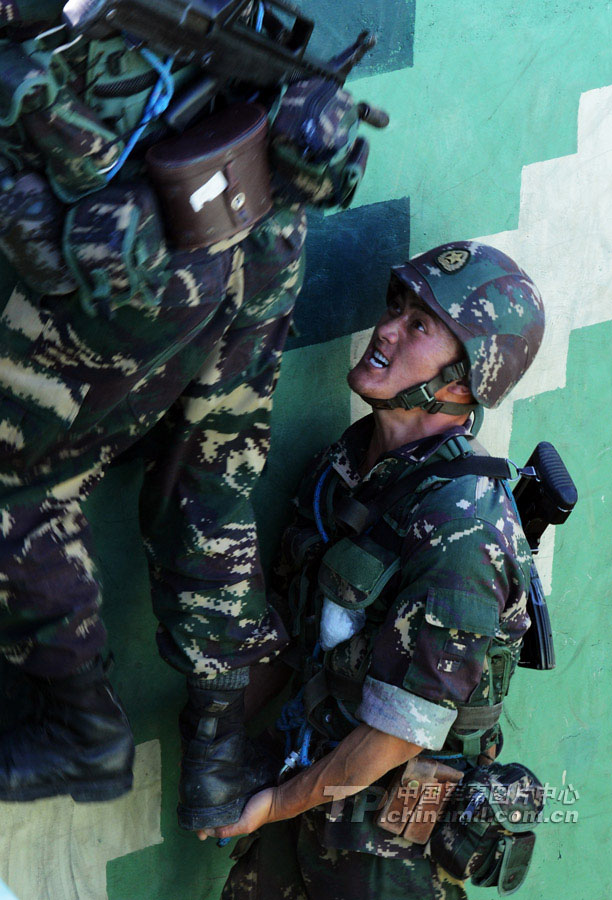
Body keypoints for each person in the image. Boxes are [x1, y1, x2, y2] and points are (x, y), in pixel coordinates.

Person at [0, 0, 378, 831]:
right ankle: (215, 750)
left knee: (18, 486)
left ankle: (78, 722)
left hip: (146, 258)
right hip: (255, 208)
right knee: (212, 475)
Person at [205, 241, 546, 899]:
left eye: (418, 325)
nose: (386, 329)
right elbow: (289, 633)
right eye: (397, 309)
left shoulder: (463, 526)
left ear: (465, 378)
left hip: (388, 847)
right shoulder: (344, 468)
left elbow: (397, 737)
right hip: (305, 794)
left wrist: (274, 804)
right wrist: (215, 734)